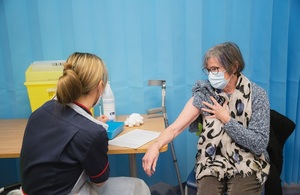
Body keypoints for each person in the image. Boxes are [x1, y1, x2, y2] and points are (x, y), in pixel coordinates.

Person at [142, 42, 270, 195]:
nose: (211, 75)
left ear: (234, 67)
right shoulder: (205, 93)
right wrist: (155, 146)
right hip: (212, 159)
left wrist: (226, 119)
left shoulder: (257, 95)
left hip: (247, 160)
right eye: (209, 70)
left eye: (216, 69)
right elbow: (176, 127)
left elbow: (259, 144)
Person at [20, 52, 151, 195]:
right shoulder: (93, 133)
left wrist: (91, 123)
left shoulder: (41, 110)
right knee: (139, 187)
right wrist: (93, 128)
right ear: (101, 86)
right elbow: (99, 183)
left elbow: (67, 128)